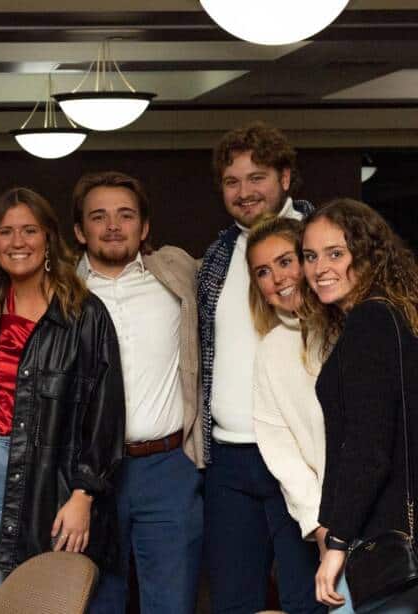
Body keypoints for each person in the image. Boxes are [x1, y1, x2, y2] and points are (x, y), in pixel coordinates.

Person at [0, 186, 124, 600]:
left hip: (55, 483)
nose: (18, 242)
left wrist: (83, 494)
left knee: (50, 600)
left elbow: (104, 412)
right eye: (5, 232)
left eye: (29, 230)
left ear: (49, 240)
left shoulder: (85, 315)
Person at [197, 121, 322, 613]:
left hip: (301, 460)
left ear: (286, 178)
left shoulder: (323, 240)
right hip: (229, 461)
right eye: (232, 182)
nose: (245, 192)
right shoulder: (216, 256)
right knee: (231, 600)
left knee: (307, 599)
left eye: (258, 177)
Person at [69, 171, 204, 614]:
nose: (113, 226)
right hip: (88, 478)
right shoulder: (62, 292)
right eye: (99, 216)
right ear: (78, 230)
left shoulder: (178, 274)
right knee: (93, 602)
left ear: (144, 227)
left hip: (167, 468)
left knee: (171, 603)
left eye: (125, 215)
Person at [301, 199, 418, 613]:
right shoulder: (392, 315)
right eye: (310, 256)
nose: (320, 268)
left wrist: (335, 544)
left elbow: (369, 451)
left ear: (367, 255)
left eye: (336, 253)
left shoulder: (370, 322)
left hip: (385, 540)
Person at [246, 215, 327, 572]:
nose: (277, 279)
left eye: (285, 262)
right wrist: (317, 522)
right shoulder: (271, 349)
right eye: (263, 272)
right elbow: (279, 445)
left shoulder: (354, 327)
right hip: (326, 517)